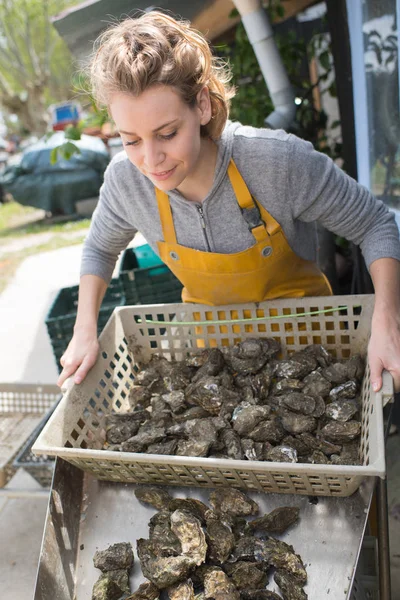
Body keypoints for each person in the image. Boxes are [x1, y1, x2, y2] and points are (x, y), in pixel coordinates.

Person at [57, 11, 400, 394]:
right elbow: (100, 249)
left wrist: (388, 320)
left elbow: (376, 224)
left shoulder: (277, 163)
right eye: (131, 140)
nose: (150, 161)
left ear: (202, 105)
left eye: (167, 133)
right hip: (216, 374)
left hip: (313, 366)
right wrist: (84, 330)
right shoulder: (126, 182)